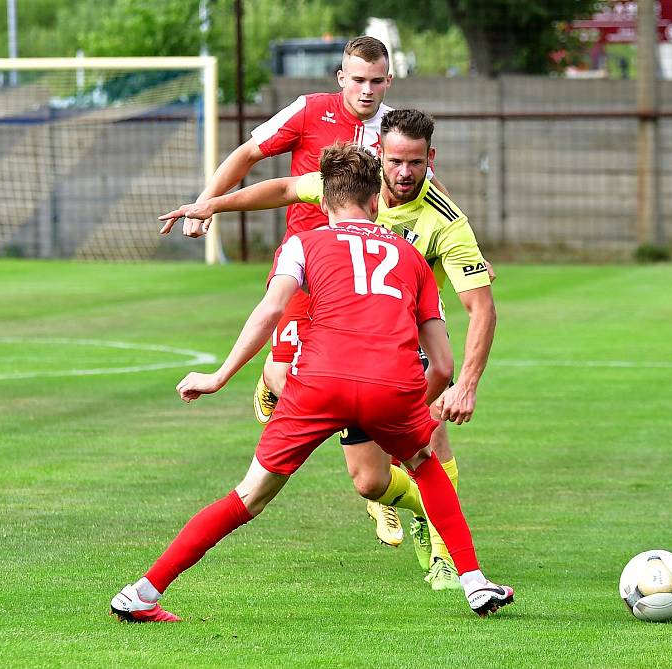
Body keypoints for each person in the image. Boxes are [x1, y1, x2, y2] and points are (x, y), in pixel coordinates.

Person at [111, 143, 514, 622]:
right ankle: (474, 582)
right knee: (425, 465)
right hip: (393, 384)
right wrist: (407, 411)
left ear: (323, 202)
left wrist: (219, 376)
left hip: (318, 382)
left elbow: (272, 310)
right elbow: (443, 365)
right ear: (374, 202)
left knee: (247, 497)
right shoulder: (409, 256)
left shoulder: (303, 243)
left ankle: (143, 593)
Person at [161, 35, 417, 546]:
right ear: (341, 78)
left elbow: (421, 190)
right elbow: (251, 155)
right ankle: (280, 391)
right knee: (284, 376)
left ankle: (379, 492)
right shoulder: (308, 111)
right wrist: (205, 203)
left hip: (363, 274)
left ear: (389, 80)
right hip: (305, 267)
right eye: (357, 80)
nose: (366, 91)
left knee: (366, 377)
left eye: (376, 81)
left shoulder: (395, 130)